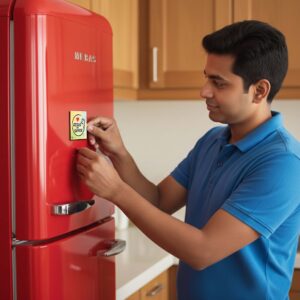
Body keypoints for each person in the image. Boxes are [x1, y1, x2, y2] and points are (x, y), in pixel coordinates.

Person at [77, 20, 300, 300]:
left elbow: (203, 251)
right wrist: (119, 153)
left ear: (259, 91)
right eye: (206, 77)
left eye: (218, 83)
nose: (204, 91)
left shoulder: (284, 163)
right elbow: (158, 200)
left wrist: (116, 191)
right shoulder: (213, 141)